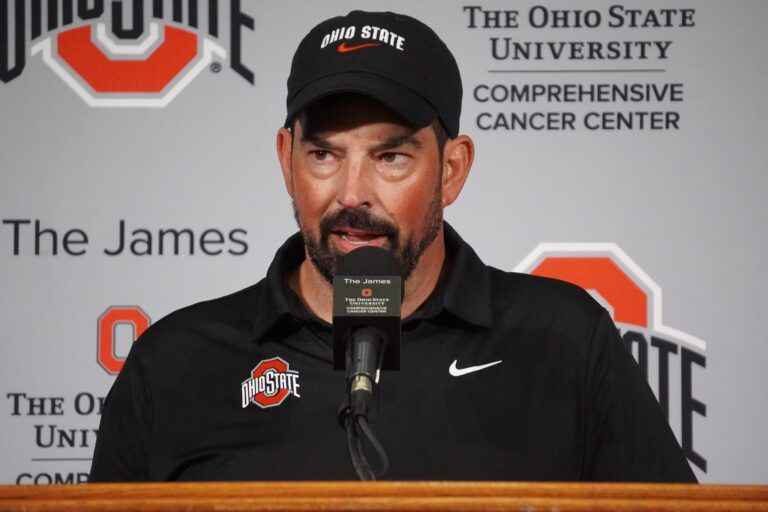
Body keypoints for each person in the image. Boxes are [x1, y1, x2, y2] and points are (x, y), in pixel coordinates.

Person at [90, 10, 697, 482]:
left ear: (452, 170)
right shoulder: (173, 361)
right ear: (286, 160)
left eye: (392, 157)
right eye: (323, 154)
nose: (353, 193)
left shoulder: (565, 338)